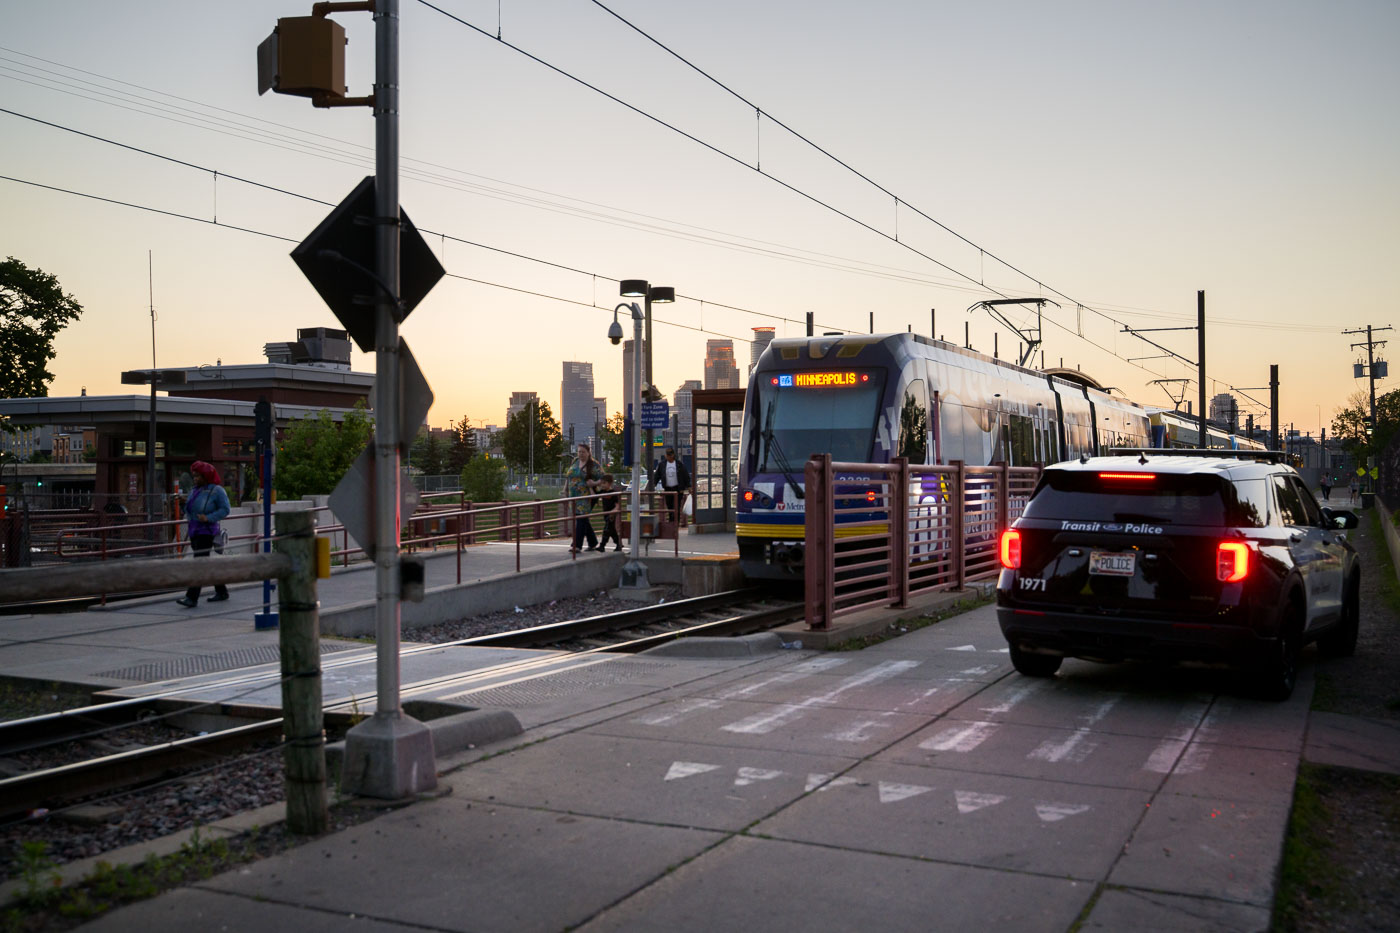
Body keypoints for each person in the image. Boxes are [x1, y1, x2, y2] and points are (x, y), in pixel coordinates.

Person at [176, 460, 230, 607]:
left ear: (206, 476)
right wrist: (183, 503)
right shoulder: (195, 490)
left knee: (199, 563)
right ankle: (222, 591)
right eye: (194, 476)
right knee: (206, 563)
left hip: (206, 531)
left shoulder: (217, 491)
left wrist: (209, 518)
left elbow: (225, 509)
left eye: (198, 476)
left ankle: (192, 597)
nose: (195, 479)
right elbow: (190, 510)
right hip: (194, 530)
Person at [566, 443, 601, 553]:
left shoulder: (593, 465)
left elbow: (604, 478)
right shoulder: (575, 461)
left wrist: (594, 483)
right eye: (579, 451)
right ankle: (593, 542)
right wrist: (565, 489)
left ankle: (576, 545)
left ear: (588, 452)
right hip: (574, 495)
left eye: (583, 452)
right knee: (582, 519)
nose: (581, 454)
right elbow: (569, 476)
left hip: (586, 496)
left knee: (581, 519)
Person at [648, 447, 692, 523]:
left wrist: (689, 486)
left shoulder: (679, 464)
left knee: (677, 507)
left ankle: (676, 523)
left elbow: (685, 475)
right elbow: (657, 475)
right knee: (670, 506)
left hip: (677, 489)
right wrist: (653, 485)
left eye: (670, 454)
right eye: (667, 455)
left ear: (673, 455)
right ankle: (671, 521)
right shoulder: (662, 465)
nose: (669, 456)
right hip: (668, 489)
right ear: (665, 455)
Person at [597, 473, 623, 552]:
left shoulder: (613, 493)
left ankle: (602, 546)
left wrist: (613, 512)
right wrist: (591, 487)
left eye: (604, 483)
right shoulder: (602, 491)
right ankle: (619, 544)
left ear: (610, 483)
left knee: (607, 529)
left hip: (611, 515)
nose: (602, 485)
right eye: (601, 483)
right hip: (605, 513)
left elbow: (618, 505)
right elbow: (594, 495)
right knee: (612, 531)